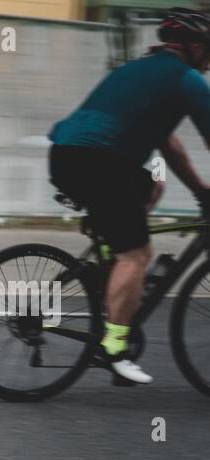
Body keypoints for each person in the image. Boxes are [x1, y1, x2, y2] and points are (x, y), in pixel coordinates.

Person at [48, 7, 210, 384]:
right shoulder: (185, 80)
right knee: (137, 253)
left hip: (67, 155)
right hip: (100, 162)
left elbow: (169, 146)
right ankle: (115, 348)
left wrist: (200, 189)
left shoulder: (138, 69)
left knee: (151, 184)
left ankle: (110, 258)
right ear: (194, 47)